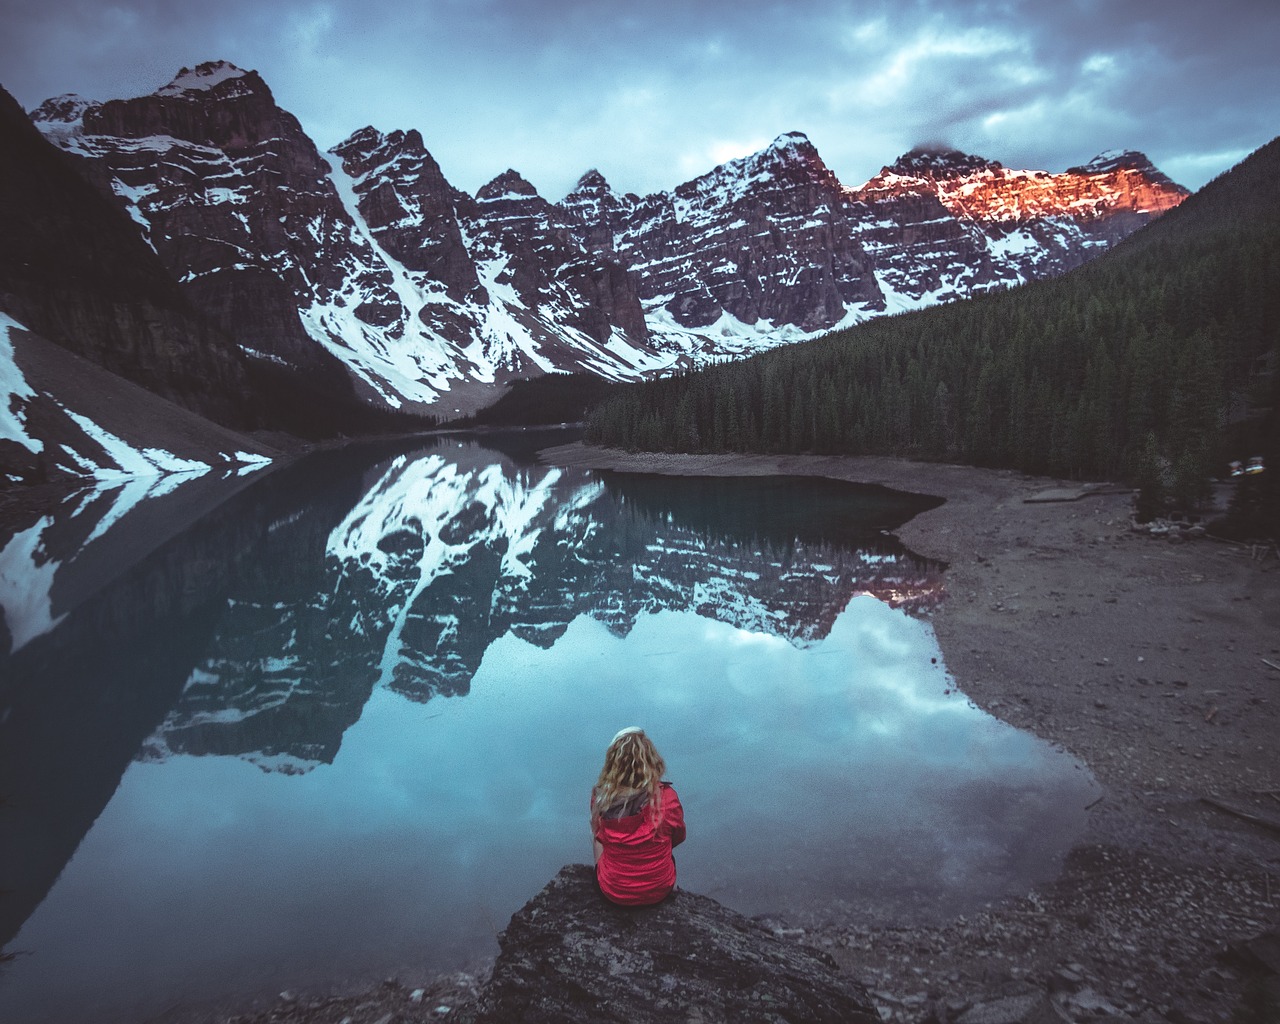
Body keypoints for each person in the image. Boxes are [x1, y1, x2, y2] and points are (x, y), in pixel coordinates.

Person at [590, 727, 686, 906]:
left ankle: (605, 873)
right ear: (651, 760)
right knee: (663, 837)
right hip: (659, 891)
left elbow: (600, 838)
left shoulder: (601, 798)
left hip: (613, 893)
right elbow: (678, 837)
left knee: (596, 835)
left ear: (613, 763)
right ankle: (652, 879)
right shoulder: (667, 798)